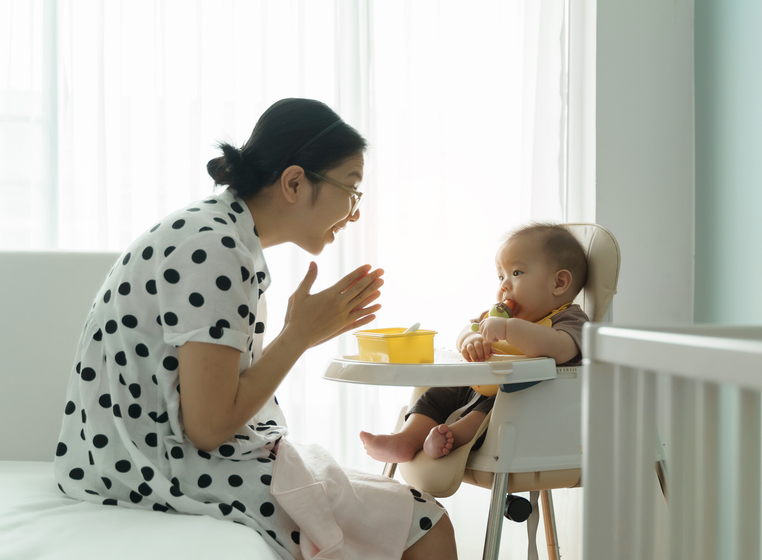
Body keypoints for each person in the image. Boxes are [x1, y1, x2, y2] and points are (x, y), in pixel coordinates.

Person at [53, 98, 457, 560]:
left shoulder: (218, 231)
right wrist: (298, 336)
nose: (354, 211)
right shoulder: (216, 248)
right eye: (351, 187)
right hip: (149, 471)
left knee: (396, 509)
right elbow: (208, 427)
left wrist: (303, 332)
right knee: (427, 525)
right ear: (294, 182)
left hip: (129, 459)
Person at [360, 223, 590, 463]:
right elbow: (466, 330)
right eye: (501, 276)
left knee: (497, 406)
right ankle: (405, 439)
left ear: (559, 283)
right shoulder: (497, 316)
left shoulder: (569, 319)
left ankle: (452, 436)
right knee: (437, 394)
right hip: (476, 385)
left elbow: (562, 348)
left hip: (523, 399)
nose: (504, 286)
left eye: (516, 273)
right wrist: (472, 340)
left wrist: (510, 330)